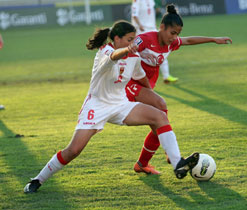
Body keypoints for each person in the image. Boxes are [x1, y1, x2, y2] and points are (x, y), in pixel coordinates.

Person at [23, 20, 199, 193]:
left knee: (160, 116)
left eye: (134, 39)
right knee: (73, 150)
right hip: (96, 106)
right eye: (129, 39)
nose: (133, 43)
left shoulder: (134, 57)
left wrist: (149, 90)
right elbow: (113, 58)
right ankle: (38, 180)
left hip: (121, 105)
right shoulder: (105, 51)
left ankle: (178, 164)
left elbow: (141, 76)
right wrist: (126, 50)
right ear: (116, 38)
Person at [126, 4, 232, 175]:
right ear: (162, 27)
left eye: (177, 34)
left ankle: (142, 164)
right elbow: (127, 49)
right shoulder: (145, 39)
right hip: (130, 84)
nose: (174, 37)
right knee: (161, 109)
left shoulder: (171, 44)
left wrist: (213, 39)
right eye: (172, 33)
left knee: (158, 126)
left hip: (146, 86)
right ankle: (171, 155)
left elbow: (189, 40)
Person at [131, 0, 178, 84]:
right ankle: (135, 76)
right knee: (139, 54)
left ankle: (166, 76)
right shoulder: (137, 1)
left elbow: (153, 12)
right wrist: (139, 25)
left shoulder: (151, 0)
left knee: (163, 50)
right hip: (142, 31)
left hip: (152, 28)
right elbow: (134, 15)